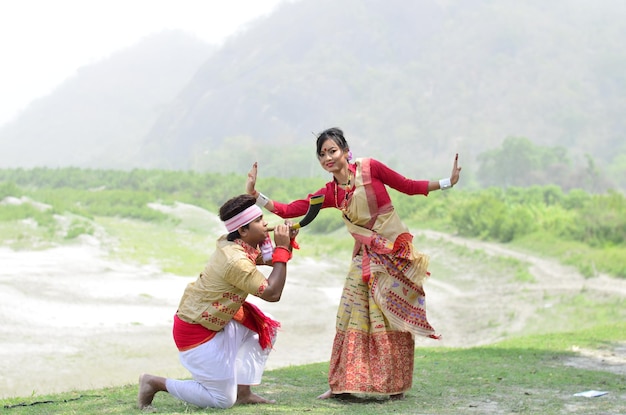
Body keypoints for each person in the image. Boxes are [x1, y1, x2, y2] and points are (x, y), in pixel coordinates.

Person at [246, 127, 461, 400]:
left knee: (391, 317)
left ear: (346, 152)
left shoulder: (370, 169)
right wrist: (256, 196)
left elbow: (407, 185)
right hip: (364, 257)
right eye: (322, 154)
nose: (328, 157)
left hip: (394, 253)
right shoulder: (331, 193)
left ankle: (394, 386)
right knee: (350, 313)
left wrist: (447, 182)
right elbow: (290, 209)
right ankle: (343, 384)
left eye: (332, 151)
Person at [138, 194, 298, 410]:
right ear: (243, 231)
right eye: (260, 220)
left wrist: (284, 244)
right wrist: (282, 248)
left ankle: (244, 392)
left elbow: (270, 259)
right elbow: (272, 293)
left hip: (214, 322)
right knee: (222, 400)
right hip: (196, 334)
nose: (267, 224)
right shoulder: (235, 260)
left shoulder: (235, 243)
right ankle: (154, 383)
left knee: (264, 330)